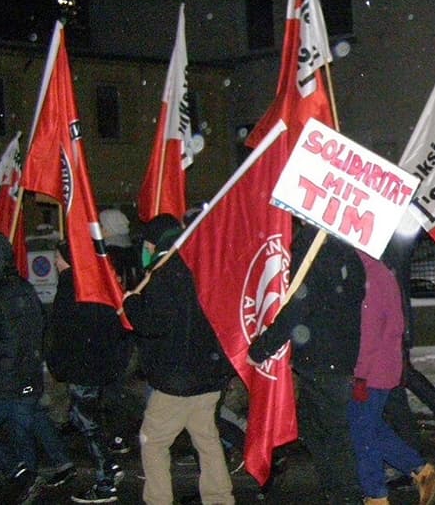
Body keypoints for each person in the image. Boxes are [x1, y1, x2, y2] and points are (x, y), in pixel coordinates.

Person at [248, 226, 366, 504]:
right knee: (320, 429)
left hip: (322, 361)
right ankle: (340, 492)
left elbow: (297, 309)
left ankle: (346, 495)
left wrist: (262, 348)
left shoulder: (313, 250)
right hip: (341, 357)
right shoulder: (347, 252)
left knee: (333, 434)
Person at [123, 215, 234, 505]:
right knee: (207, 441)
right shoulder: (205, 268)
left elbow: (153, 324)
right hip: (209, 375)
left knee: (153, 441)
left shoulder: (165, 275)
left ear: (155, 243)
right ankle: (220, 498)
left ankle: (158, 499)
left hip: (176, 379)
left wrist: (131, 303)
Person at [0, 232, 74, 502]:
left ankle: (17, 472)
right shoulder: (25, 288)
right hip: (27, 376)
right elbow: (38, 330)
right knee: (22, 429)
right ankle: (25, 476)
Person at [350, 251, 435, 505]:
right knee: (369, 427)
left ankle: (376, 494)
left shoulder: (368, 276)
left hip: (371, 371)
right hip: (383, 367)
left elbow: (369, 333)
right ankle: (422, 470)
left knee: (363, 434)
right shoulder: (381, 272)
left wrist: (359, 374)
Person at [47, 241, 132, 503]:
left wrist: (58, 364)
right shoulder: (95, 282)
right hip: (97, 364)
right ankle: (110, 466)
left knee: (87, 422)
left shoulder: (69, 285)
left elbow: (63, 332)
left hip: (82, 366)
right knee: (87, 418)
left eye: (58, 257)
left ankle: (105, 481)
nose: (55, 262)